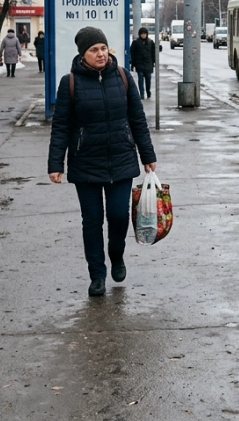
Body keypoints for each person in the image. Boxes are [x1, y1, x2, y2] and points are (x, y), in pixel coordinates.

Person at [48, 27, 157, 297]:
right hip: (85, 162)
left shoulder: (123, 78)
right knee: (92, 221)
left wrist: (148, 155)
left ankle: (116, 255)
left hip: (121, 159)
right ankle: (97, 274)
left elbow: (137, 119)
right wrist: (55, 163)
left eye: (103, 48)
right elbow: (61, 126)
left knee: (119, 216)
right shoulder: (70, 82)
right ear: (82, 54)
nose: (100, 53)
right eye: (93, 50)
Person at [129, 27, 156, 99]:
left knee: (148, 79)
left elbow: (153, 53)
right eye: (142, 34)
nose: (143, 35)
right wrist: (132, 64)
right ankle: (142, 93)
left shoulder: (151, 42)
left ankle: (148, 91)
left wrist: (154, 62)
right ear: (139, 34)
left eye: (145, 34)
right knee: (140, 79)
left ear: (147, 34)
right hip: (139, 64)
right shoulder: (136, 42)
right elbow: (132, 53)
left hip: (148, 64)